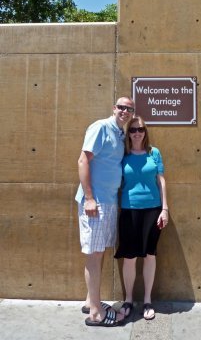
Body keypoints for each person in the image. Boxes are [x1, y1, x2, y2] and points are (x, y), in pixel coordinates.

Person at [75, 97, 135, 327]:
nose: (125, 111)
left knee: (97, 252)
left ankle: (92, 301)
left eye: (129, 109)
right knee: (93, 253)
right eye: (121, 107)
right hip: (95, 203)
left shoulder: (120, 134)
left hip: (108, 202)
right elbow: (83, 161)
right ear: (114, 108)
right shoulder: (100, 127)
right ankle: (96, 314)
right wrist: (89, 198)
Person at [114, 116, 169, 321]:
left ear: (145, 132)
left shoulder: (154, 153)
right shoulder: (123, 154)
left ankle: (147, 300)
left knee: (149, 255)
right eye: (133, 130)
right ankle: (128, 300)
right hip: (129, 210)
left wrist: (164, 209)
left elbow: (161, 181)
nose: (137, 133)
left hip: (152, 210)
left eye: (141, 129)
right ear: (128, 133)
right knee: (129, 257)